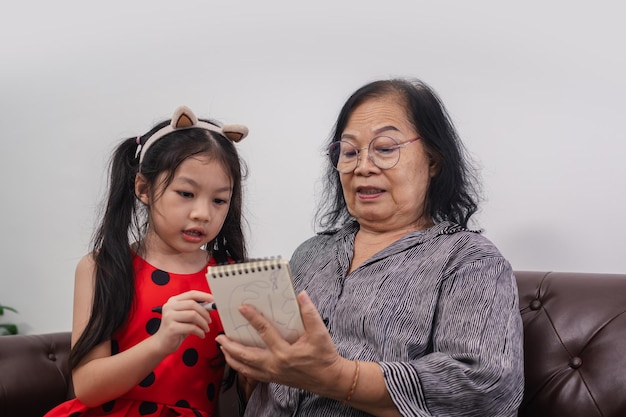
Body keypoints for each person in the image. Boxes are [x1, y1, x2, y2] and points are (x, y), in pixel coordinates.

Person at [216, 78, 524, 417]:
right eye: (349, 152)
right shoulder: (311, 253)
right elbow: (273, 383)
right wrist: (255, 371)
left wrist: (338, 378)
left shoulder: (470, 260)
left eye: (385, 148)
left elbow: (486, 388)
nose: (363, 166)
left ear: (433, 160)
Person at [44, 106, 249, 417]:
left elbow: (247, 388)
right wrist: (160, 343)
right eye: (185, 193)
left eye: (219, 200)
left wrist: (264, 361)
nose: (203, 213)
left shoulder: (232, 277)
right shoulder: (103, 267)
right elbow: (87, 386)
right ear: (143, 189)